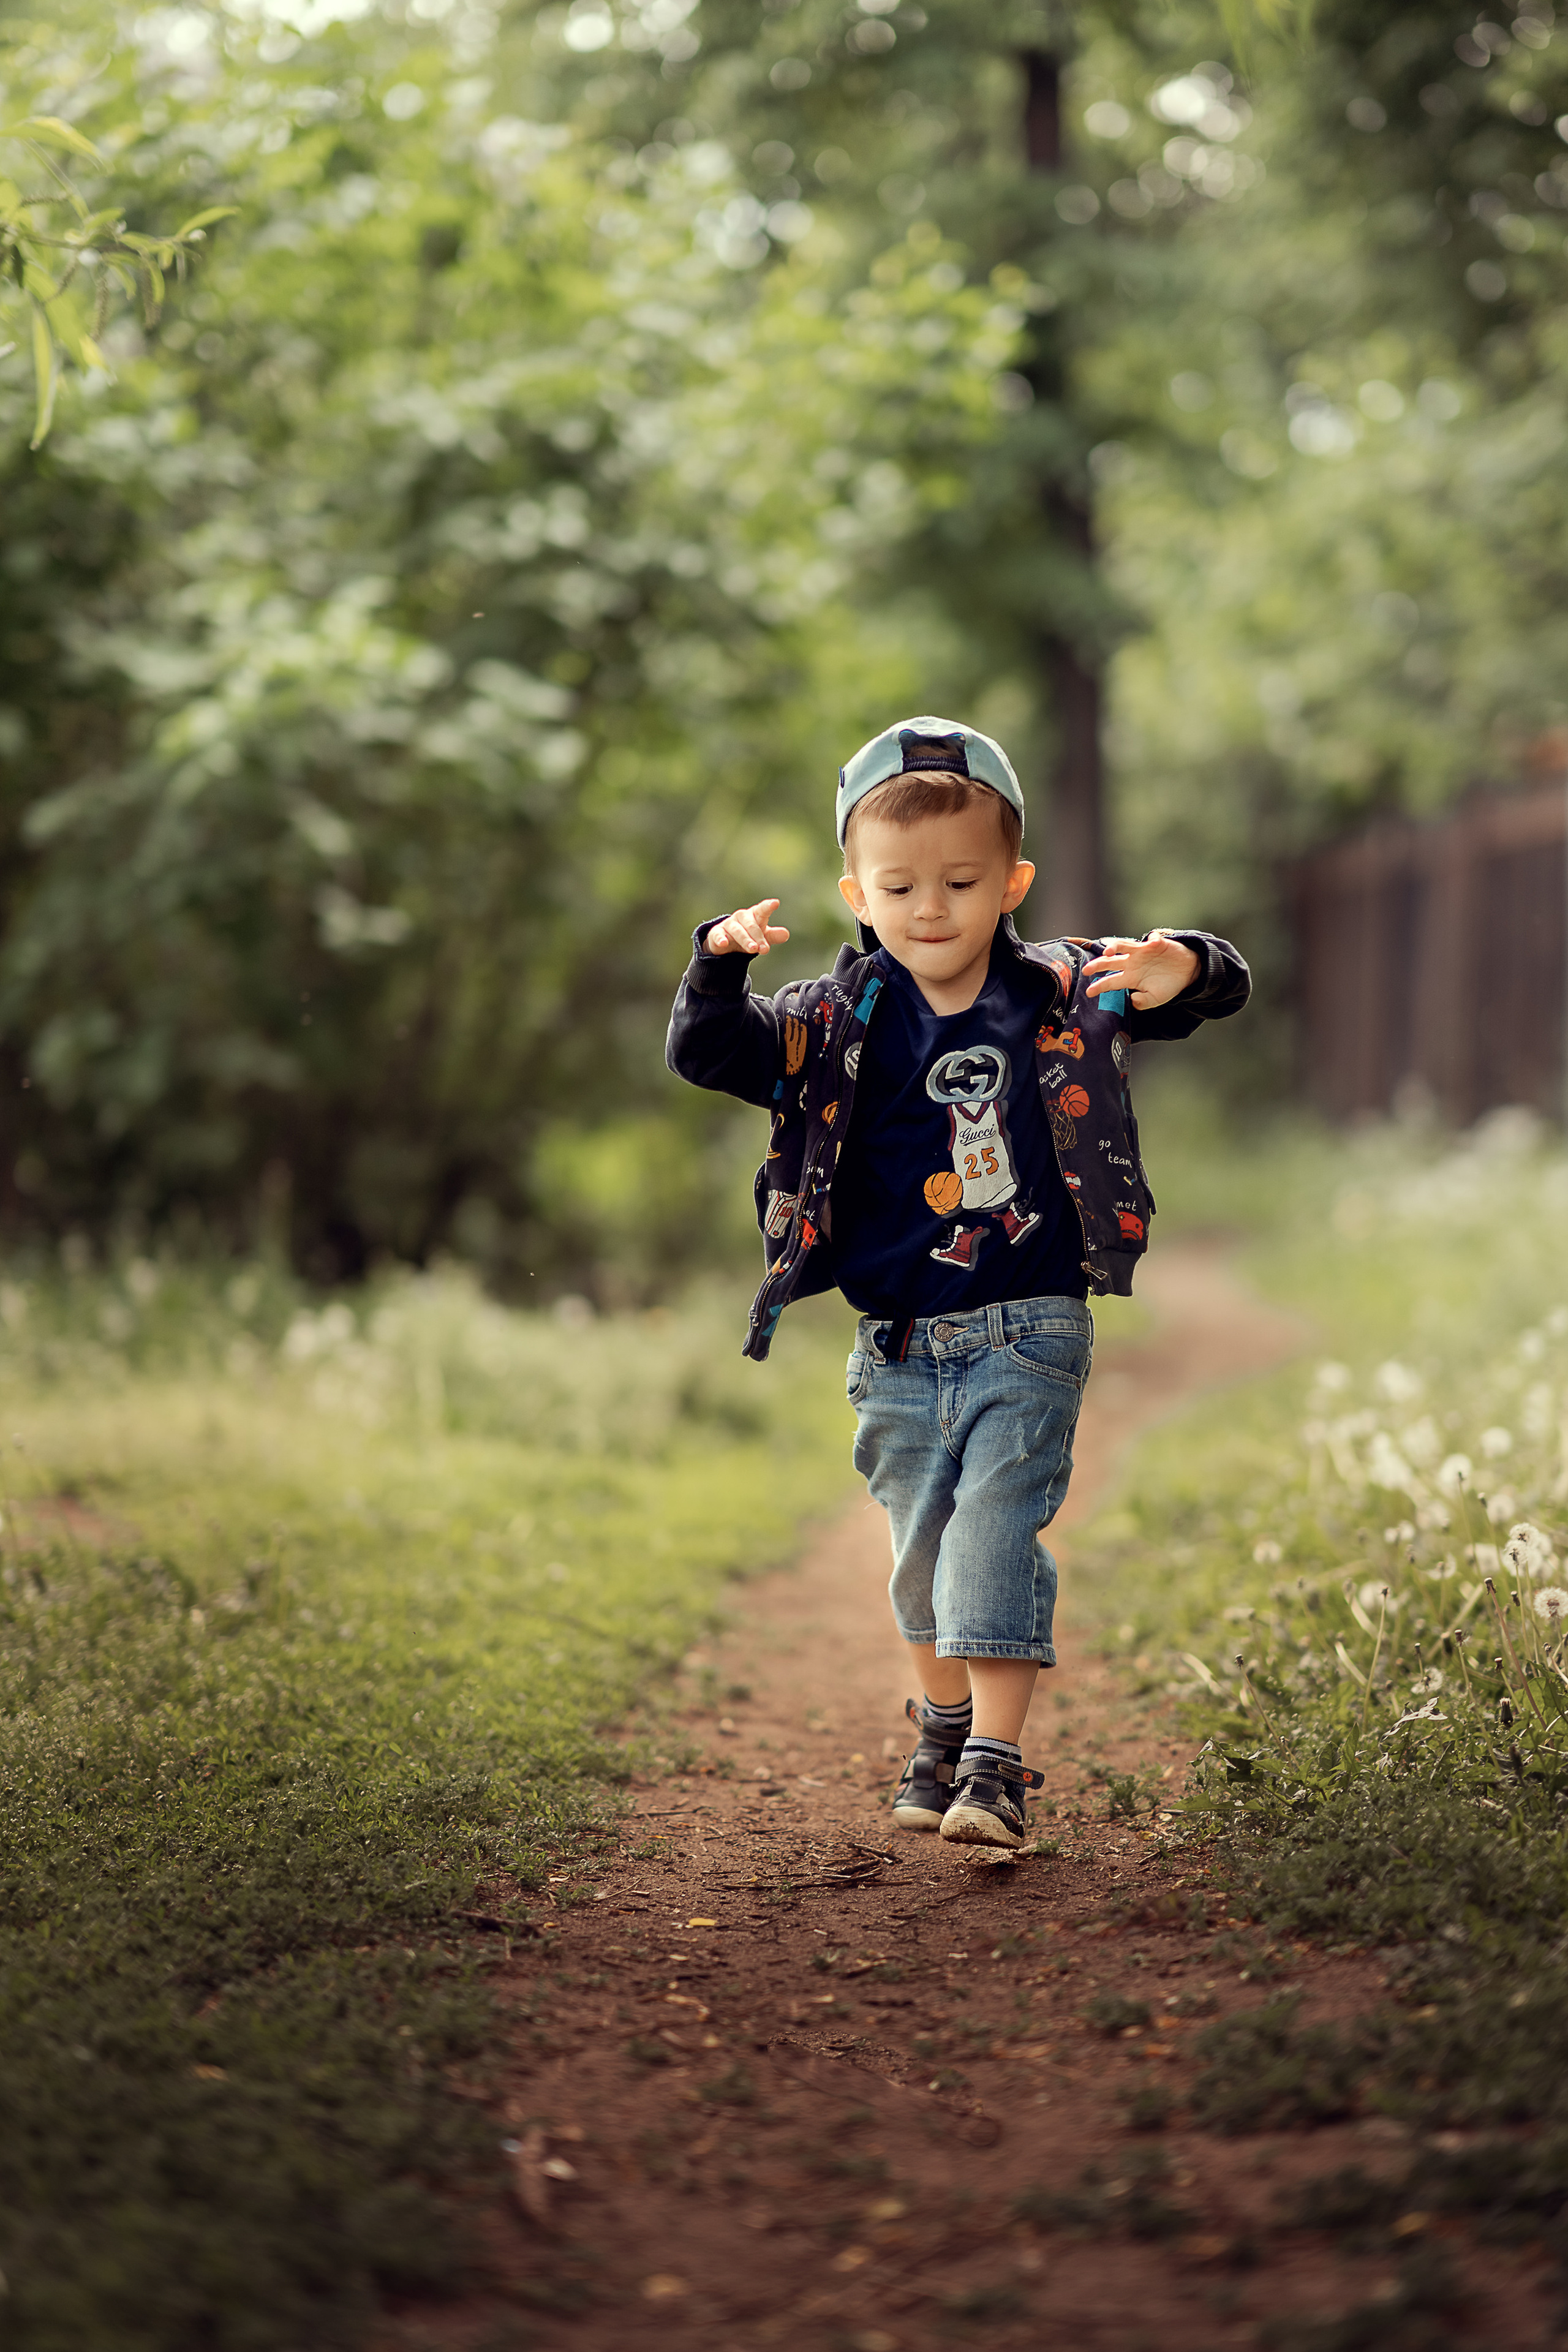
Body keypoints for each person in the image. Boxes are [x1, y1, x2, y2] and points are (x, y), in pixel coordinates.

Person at [665, 716, 1249, 1849]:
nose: (931, 907)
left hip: (1030, 1325)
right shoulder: (827, 1022)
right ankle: (941, 1731)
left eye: (963, 880)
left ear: (1012, 883)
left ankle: (995, 1766)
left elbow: (1197, 984)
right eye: (901, 886)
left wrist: (1182, 962)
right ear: (857, 895)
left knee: (992, 1531)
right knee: (922, 1558)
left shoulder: (1063, 989)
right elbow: (711, 1054)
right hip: (892, 1342)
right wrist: (718, 966)